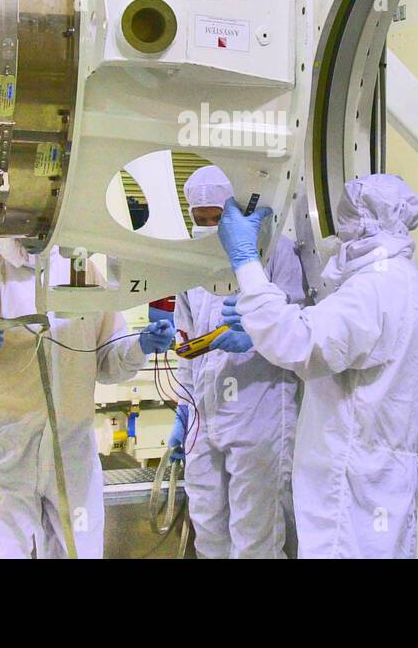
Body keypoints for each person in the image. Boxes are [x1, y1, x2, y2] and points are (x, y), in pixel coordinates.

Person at [214, 174, 418, 559]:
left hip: (350, 487)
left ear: (364, 222)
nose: (340, 233)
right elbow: (343, 342)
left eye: (345, 219)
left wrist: (247, 264)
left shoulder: (374, 287)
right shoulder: (408, 282)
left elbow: (301, 344)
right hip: (380, 478)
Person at [0, 238, 174, 559]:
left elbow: (107, 362)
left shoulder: (82, 269)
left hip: (71, 445)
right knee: (1, 552)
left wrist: (139, 346)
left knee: (79, 551)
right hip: (5, 447)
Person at [161, 165, 307, 559]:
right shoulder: (190, 261)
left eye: (217, 218)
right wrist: (185, 410)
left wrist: (256, 335)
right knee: (206, 524)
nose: (209, 227)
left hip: (258, 410)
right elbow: (186, 340)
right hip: (205, 415)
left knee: (255, 533)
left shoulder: (275, 252)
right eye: (200, 219)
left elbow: (300, 329)